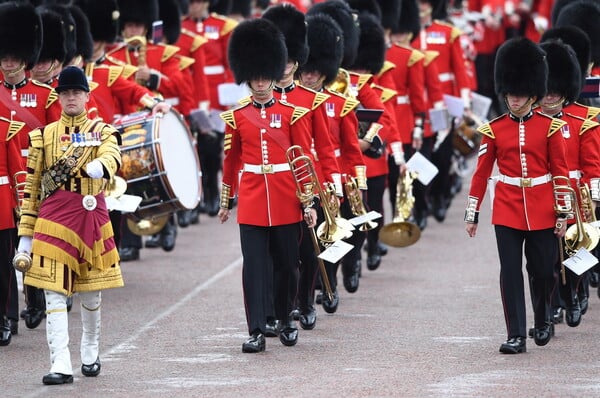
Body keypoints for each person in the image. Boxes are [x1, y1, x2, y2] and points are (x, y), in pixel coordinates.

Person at [15, 66, 124, 384]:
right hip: (52, 221)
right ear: (58, 97)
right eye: (65, 92)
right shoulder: (44, 136)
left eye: (76, 92)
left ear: (87, 96)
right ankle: (60, 362)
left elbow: (113, 154)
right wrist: (25, 236)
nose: (71, 97)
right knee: (53, 294)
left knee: (91, 296)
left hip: (91, 218)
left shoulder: (103, 131)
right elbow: (32, 189)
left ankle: (90, 349)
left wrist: (101, 165)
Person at [464, 37, 570, 354]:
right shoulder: (494, 129)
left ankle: (543, 319)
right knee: (509, 272)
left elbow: (561, 171)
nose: (513, 98)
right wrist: (473, 212)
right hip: (507, 208)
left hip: (542, 208)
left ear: (533, 93)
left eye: (520, 93)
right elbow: (481, 172)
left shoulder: (550, 127)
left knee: (542, 272)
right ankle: (516, 335)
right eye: (510, 93)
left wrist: (563, 212)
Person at [217, 18, 315, 353]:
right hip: (253, 199)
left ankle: (286, 319)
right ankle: (257, 329)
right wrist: (225, 198)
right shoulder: (238, 116)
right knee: (255, 268)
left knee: (288, 265)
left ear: (274, 74)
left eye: (264, 76)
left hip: (287, 197)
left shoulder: (293, 114)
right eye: (254, 77)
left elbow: (301, 158)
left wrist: (309, 201)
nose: (259, 83)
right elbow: (231, 161)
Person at [262, 2, 340, 331]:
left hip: (309, 180)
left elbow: (324, 144)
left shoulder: (312, 100)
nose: (285, 67)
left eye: (291, 61)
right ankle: (287, 303)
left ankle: (307, 301)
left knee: (309, 250)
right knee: (282, 253)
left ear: (297, 62)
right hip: (278, 182)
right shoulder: (261, 100)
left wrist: (332, 182)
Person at [0, 2, 63, 333]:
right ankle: (9, 314)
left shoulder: (44, 95)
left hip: (34, 176)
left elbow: (55, 138)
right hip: (4, 181)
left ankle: (36, 298)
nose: (8, 61)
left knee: (34, 240)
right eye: (4, 55)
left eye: (13, 55)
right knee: (7, 247)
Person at [536, 39, 600, 329]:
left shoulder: (583, 119)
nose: (548, 97)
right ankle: (549, 308)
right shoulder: (532, 120)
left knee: (575, 254)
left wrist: (593, 202)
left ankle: (573, 295)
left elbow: (592, 166)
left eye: (554, 92)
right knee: (547, 260)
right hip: (541, 197)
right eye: (545, 91)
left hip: (574, 198)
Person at [0, 118, 25, 346]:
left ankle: (4, 318)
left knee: (3, 266)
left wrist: (22, 207)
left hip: (1, 204)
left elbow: (18, 172)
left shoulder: (6, 128)